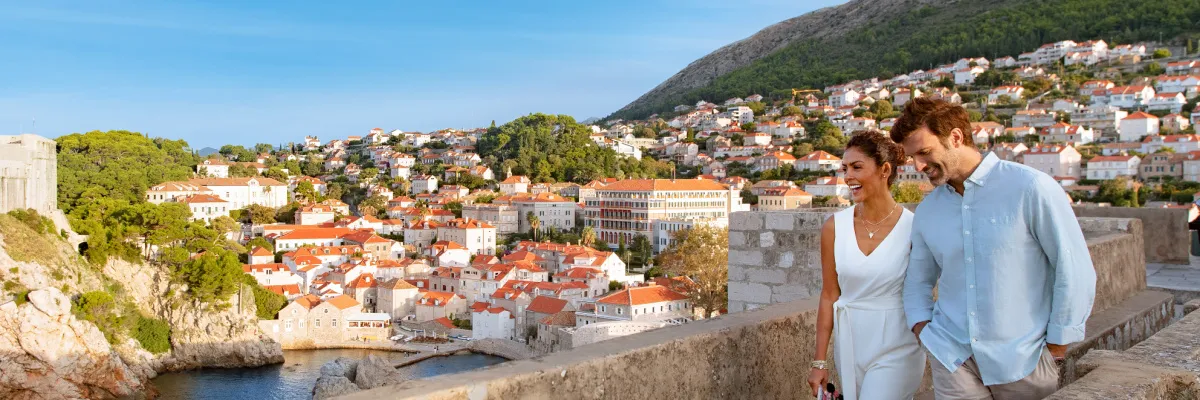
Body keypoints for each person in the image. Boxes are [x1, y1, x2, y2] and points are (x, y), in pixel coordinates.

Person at [891, 98, 1096, 399]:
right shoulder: (928, 210)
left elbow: (1073, 269)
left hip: (1024, 360)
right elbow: (917, 280)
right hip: (952, 357)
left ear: (956, 137)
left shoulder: (1030, 188)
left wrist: (1056, 347)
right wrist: (925, 331)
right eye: (912, 158)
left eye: (924, 152)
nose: (918, 166)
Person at [808, 130, 925, 400]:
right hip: (850, 345)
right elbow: (829, 296)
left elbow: (926, 289)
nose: (848, 176)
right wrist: (819, 362)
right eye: (845, 168)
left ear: (884, 170)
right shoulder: (833, 227)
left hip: (898, 344)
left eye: (857, 167)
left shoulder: (914, 228)